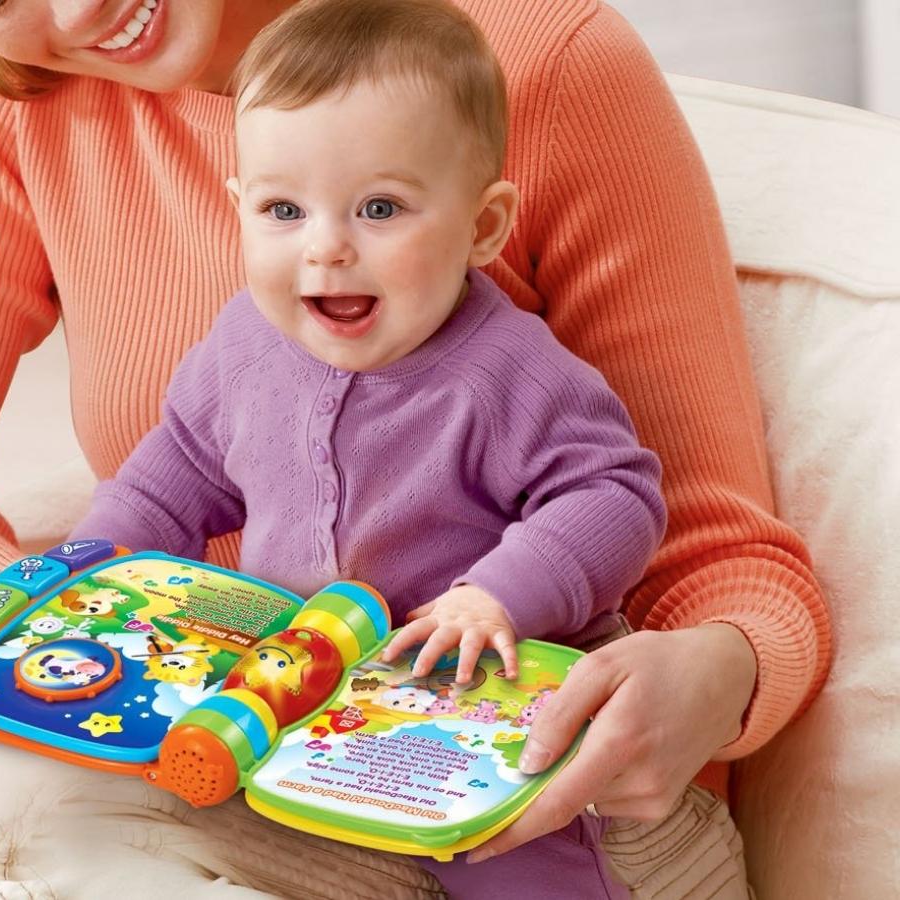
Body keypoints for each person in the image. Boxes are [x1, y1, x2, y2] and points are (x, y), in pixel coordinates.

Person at [0, 0, 831, 895]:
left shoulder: (542, 89)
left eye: (381, 209)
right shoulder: (40, 120)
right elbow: (114, 481)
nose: (70, 18)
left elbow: (671, 528)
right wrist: (89, 631)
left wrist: (715, 668)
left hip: (501, 757)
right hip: (256, 749)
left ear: (485, 224)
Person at [67, 5, 666, 892]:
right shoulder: (241, 346)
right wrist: (99, 568)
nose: (327, 247)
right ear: (238, 210)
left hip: (472, 709)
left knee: (517, 854)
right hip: (298, 704)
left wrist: (497, 596)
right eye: (282, 209)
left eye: (379, 208)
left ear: (484, 227)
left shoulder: (510, 372)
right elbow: (176, 475)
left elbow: (616, 496)